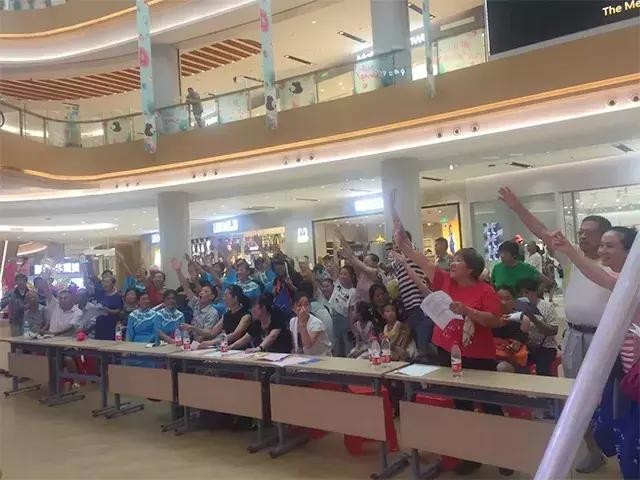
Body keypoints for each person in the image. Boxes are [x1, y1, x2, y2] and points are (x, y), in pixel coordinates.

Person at [498, 186, 612, 473]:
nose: (582, 236)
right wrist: (517, 208)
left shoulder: (614, 265)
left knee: (612, 397)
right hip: (574, 336)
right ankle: (593, 449)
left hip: (605, 339)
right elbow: (543, 231)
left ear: (605, 237)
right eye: (581, 232)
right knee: (577, 399)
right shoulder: (570, 259)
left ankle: (619, 447)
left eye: (589, 232)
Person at [391, 195, 507, 475]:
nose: (452, 263)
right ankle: (470, 455)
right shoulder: (444, 280)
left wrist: (468, 311)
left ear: (471, 268)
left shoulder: (485, 291)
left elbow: (495, 322)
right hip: (449, 352)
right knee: (462, 405)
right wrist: (402, 239)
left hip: (478, 356)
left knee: (489, 405)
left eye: (458, 260)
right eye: (452, 260)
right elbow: (418, 257)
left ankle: (504, 455)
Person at [552, 226, 639, 479]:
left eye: (610, 246)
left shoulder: (632, 282)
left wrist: (571, 252)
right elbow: (601, 277)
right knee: (618, 434)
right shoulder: (624, 281)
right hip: (627, 378)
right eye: (601, 245)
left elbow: (601, 278)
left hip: (634, 378)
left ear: (631, 252)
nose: (602, 251)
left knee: (630, 441)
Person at [515, 278, 558, 376]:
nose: (524, 296)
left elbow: (553, 330)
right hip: (523, 346)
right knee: (516, 363)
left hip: (545, 347)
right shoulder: (515, 306)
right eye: (521, 293)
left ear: (535, 292)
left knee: (542, 367)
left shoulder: (546, 306)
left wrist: (533, 318)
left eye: (527, 292)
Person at [171, 259, 220, 342]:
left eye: (206, 292)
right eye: (201, 291)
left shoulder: (212, 313)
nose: (201, 293)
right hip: (193, 340)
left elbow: (207, 334)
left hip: (206, 343)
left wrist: (194, 343)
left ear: (212, 297)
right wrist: (178, 271)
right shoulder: (197, 303)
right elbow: (186, 288)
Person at [335, 229, 381, 305]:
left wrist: (351, 257)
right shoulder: (361, 274)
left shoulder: (376, 273)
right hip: (358, 307)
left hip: (370, 307)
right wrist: (342, 240)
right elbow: (352, 256)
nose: (364, 263)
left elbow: (359, 263)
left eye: (367, 262)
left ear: (375, 263)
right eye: (364, 262)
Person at [494, 286, 531, 373]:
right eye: (499, 298)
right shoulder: (489, 318)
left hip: (512, 361)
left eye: (507, 299)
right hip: (491, 358)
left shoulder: (522, 320)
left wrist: (513, 346)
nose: (503, 302)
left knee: (502, 367)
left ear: (514, 301)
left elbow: (516, 348)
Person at [290, 291, 332, 356]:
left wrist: (303, 323)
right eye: (299, 305)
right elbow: (295, 345)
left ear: (310, 307)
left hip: (321, 357)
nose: (303, 309)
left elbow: (308, 345)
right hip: (302, 358)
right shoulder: (292, 321)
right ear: (293, 308)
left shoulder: (316, 323)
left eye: (306, 305)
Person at [328, 264, 356, 357]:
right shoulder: (337, 283)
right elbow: (334, 268)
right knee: (335, 345)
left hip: (343, 319)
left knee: (346, 346)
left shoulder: (353, 292)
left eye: (345, 274)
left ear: (351, 276)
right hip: (332, 317)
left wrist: (351, 327)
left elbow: (351, 311)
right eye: (341, 274)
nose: (342, 276)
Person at [92, 275, 123, 340]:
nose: (104, 284)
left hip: (112, 323)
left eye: (107, 282)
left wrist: (108, 310)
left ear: (113, 284)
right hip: (100, 322)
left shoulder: (118, 295)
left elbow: (119, 310)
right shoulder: (100, 293)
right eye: (103, 282)